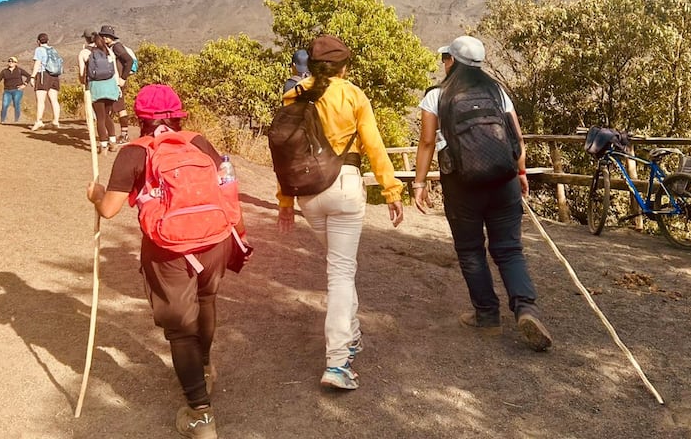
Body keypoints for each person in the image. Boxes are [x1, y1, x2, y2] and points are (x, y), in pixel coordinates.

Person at [86, 84, 246, 439]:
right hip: (215, 239)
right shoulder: (198, 142)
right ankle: (204, 369)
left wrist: (95, 193)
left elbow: (110, 210)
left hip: (168, 249)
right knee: (205, 302)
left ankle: (200, 416)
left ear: (140, 119)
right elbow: (227, 187)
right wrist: (239, 234)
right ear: (177, 115)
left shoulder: (133, 152)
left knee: (179, 327)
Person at [276, 34, 404, 390]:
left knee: (338, 267)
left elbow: (284, 153)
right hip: (345, 187)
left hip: (309, 195)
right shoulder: (352, 94)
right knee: (341, 273)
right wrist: (392, 190)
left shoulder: (294, 94)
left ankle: (352, 334)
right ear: (344, 66)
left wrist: (285, 201)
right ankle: (336, 362)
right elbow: (374, 145)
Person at [412, 35, 552, 352]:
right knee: (509, 248)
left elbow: (426, 143)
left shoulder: (436, 96)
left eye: (446, 57)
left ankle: (487, 315)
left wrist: (419, 184)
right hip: (503, 181)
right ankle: (526, 309)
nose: (444, 62)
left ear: (454, 61)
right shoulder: (496, 91)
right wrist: (520, 173)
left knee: (471, 249)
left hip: (462, 183)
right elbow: (517, 137)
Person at [78, 30, 120, 153]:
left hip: (96, 87)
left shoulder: (84, 53)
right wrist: (117, 86)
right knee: (107, 115)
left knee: (100, 117)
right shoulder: (108, 50)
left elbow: (82, 74)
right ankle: (113, 142)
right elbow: (115, 71)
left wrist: (83, 82)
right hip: (111, 87)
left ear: (86, 39)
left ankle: (103, 144)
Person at [99, 24, 134, 144]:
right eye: (103, 36)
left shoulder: (116, 47)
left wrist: (123, 78)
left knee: (120, 108)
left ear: (111, 37)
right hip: (115, 82)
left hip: (118, 82)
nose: (104, 38)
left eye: (107, 36)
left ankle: (124, 135)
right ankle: (119, 134)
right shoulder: (111, 47)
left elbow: (129, 60)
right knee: (117, 107)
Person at [29, 33, 62, 130]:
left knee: (40, 100)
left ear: (38, 41)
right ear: (48, 41)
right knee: (54, 99)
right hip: (54, 76)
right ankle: (56, 121)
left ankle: (39, 121)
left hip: (43, 75)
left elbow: (37, 63)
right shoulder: (53, 49)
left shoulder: (39, 50)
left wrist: (32, 76)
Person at [0, 57, 31, 123]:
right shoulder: (4, 71)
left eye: (12, 61)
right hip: (7, 91)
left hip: (17, 90)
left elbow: (29, 76)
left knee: (16, 104)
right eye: (9, 61)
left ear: (16, 63)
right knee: (5, 105)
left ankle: (16, 121)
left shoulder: (19, 70)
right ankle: (2, 121)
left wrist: (24, 84)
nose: (10, 62)